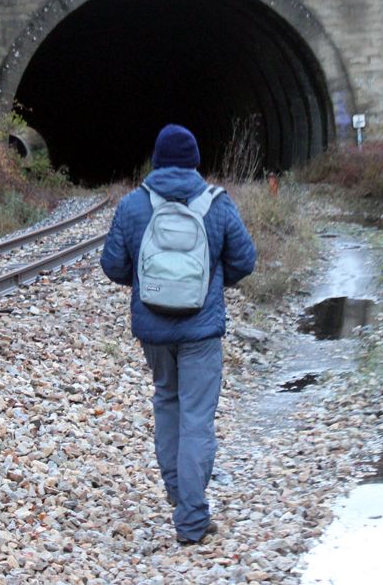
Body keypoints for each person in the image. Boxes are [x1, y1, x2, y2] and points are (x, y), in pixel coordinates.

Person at [100, 124, 257, 545]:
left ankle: (176, 490)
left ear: (156, 161)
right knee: (197, 418)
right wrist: (209, 282)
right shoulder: (217, 204)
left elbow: (113, 265)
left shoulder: (133, 205)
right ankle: (191, 519)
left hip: (153, 330)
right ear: (194, 163)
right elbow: (245, 260)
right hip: (202, 331)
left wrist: (148, 282)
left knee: (167, 403)